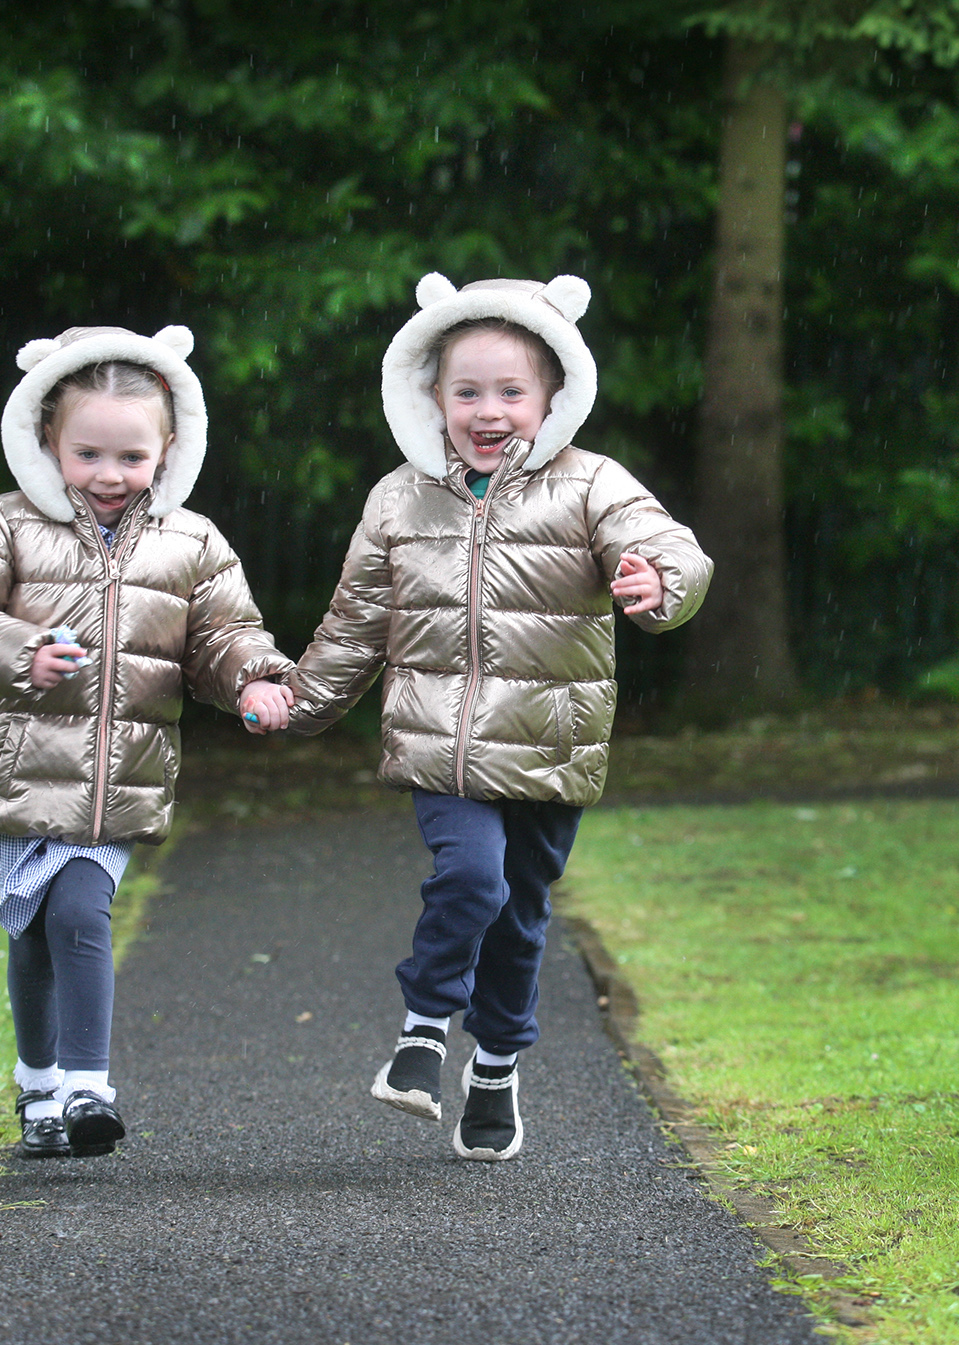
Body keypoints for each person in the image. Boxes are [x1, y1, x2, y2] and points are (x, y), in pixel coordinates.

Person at [279, 273, 712, 1160]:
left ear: (554, 394)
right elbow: (357, 621)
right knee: (473, 877)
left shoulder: (590, 485)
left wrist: (656, 581)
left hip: (551, 748)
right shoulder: (400, 499)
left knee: (519, 916)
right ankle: (422, 1030)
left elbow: (669, 546)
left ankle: (496, 1068)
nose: (488, 411)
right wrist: (297, 702)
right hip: (441, 745)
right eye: (466, 391)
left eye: (510, 391)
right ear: (431, 396)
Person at [0, 324, 293, 1160]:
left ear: (168, 449)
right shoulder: (6, 526)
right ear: (47, 441)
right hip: (22, 768)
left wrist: (254, 678)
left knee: (80, 911)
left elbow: (225, 634)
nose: (110, 476)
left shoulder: (190, 542)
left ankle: (88, 1086)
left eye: (132, 457)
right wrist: (21, 650)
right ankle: (37, 1088)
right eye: (88, 454)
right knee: (34, 931)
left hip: (118, 778)